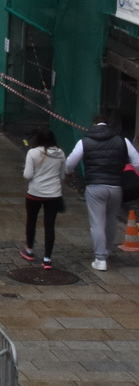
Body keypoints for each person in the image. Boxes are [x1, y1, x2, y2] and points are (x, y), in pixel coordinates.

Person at [64, 116, 139, 271]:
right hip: (116, 187)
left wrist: (69, 173)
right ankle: (107, 251)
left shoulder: (84, 142)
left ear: (94, 124)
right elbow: (137, 162)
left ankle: (100, 259)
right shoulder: (122, 141)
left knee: (97, 222)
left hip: (94, 187)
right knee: (111, 221)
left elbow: (70, 163)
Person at [21, 127, 66, 269]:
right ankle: (47, 259)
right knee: (50, 225)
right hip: (54, 194)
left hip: (35, 193)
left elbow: (27, 175)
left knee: (31, 220)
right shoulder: (61, 153)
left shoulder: (33, 153)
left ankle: (29, 250)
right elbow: (62, 176)